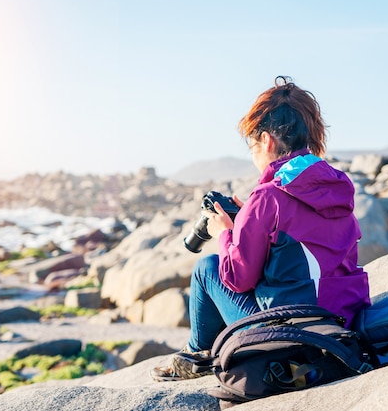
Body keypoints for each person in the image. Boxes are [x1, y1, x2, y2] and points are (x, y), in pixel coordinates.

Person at [151, 75, 370, 381]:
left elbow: (237, 279)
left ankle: (196, 355)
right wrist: (247, 222)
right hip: (342, 323)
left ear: (266, 140)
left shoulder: (268, 197)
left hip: (292, 334)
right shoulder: (336, 185)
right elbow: (301, 243)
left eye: (252, 146)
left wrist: (225, 233)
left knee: (207, 267)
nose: (254, 155)